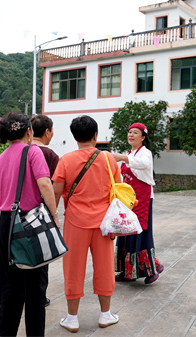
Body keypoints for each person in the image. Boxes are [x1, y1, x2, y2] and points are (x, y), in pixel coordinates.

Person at [52, 115, 121, 333]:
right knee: (105, 267)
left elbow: (55, 190)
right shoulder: (109, 159)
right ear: (95, 135)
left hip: (75, 222)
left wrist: (54, 214)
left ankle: (72, 318)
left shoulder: (66, 160)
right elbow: (117, 188)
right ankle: (105, 314)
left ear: (75, 137)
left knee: (73, 269)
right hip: (104, 224)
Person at [0, 112, 59, 336]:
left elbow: (0, 197)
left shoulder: (1, 159)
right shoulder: (32, 151)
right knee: (35, 290)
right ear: (29, 132)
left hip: (6, 224)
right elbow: (45, 184)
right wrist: (55, 216)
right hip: (31, 223)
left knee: (9, 288)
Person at [111, 122, 164, 284]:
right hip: (128, 201)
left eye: (135, 132)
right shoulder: (130, 153)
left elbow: (144, 164)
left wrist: (123, 158)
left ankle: (152, 269)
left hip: (142, 200)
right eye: (129, 132)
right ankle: (128, 272)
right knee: (126, 233)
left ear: (143, 137)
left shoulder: (144, 153)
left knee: (141, 233)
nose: (131, 135)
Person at [30, 114, 59, 308]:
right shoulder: (49, 155)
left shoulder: (19, 151)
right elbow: (53, 188)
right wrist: (54, 213)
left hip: (17, 212)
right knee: (41, 257)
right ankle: (39, 296)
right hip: (41, 213)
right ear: (47, 132)